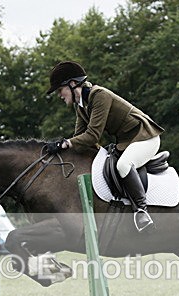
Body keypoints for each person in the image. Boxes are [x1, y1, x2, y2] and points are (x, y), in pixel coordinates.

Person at [44, 61, 163, 232]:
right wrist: (61, 147)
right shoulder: (81, 106)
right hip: (126, 142)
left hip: (145, 137)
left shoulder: (99, 95)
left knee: (123, 165)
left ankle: (142, 211)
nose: (59, 95)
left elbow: (92, 136)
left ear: (72, 84)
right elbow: (80, 139)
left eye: (59, 90)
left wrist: (66, 143)